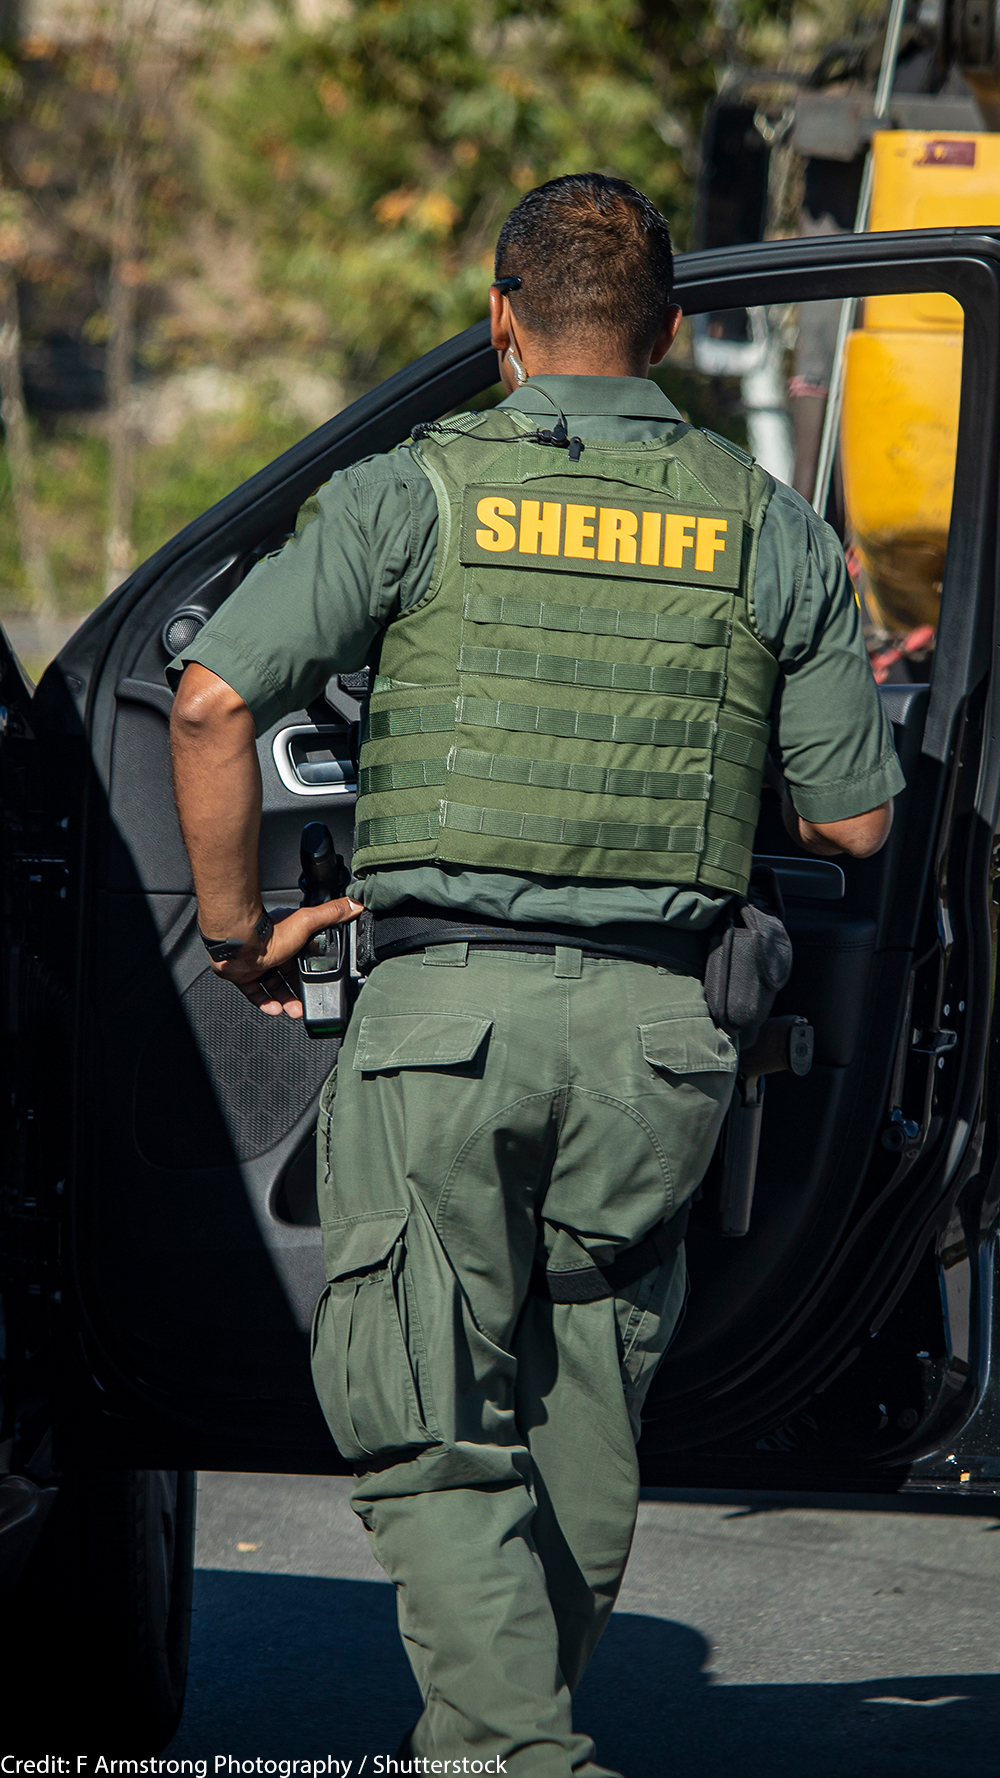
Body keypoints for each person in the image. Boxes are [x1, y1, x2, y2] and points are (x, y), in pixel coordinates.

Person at [169, 173, 904, 1777]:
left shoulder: (414, 493)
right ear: (674, 335)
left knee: (428, 1414)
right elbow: (856, 814)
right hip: (660, 1039)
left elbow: (215, 703)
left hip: (445, 1021)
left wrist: (238, 938)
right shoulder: (765, 521)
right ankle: (503, 1731)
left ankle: (511, 1756)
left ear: (502, 320)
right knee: (585, 1404)